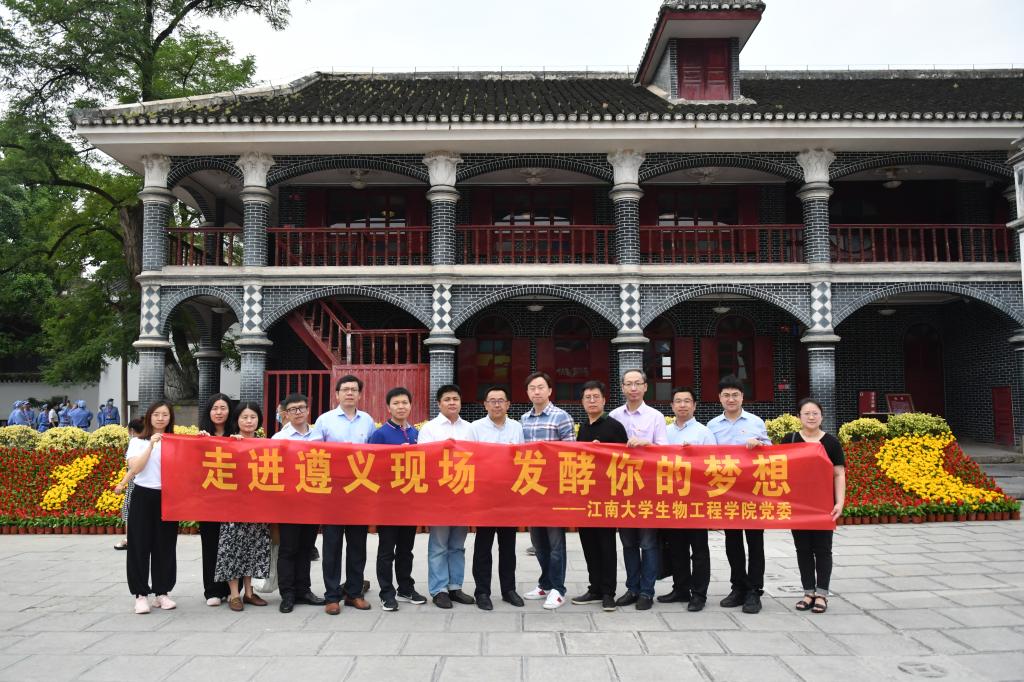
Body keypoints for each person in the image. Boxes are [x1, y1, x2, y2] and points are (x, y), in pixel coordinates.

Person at [707, 375, 771, 615]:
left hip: (753, 492)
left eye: (735, 395)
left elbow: (772, 453)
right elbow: (705, 457)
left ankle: (754, 590)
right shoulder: (712, 425)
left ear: (742, 397)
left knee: (755, 542)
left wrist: (760, 445)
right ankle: (738, 587)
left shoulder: (755, 422)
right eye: (726, 395)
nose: (731, 399)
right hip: (727, 492)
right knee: (732, 541)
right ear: (719, 398)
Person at [313, 375, 375, 614]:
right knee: (332, 546)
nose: (350, 393)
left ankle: (354, 593)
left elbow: (374, 454)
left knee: (357, 545)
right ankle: (332, 596)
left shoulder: (367, 420)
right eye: (345, 389)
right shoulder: (325, 420)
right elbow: (314, 453)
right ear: (337, 394)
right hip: (333, 493)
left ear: (360, 394)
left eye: (354, 389)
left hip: (359, 492)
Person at [609, 369, 669, 611]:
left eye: (637, 383)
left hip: (647, 489)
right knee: (628, 543)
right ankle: (632, 588)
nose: (633, 388)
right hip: (622, 489)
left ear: (645, 386)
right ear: (622, 387)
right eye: (628, 384)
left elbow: (665, 452)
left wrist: (648, 444)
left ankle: (647, 591)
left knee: (648, 542)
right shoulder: (614, 416)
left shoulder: (656, 417)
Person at [783, 398, 846, 615]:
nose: (811, 417)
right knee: (802, 549)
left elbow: (839, 474)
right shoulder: (790, 439)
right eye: (806, 413)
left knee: (823, 549)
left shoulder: (831, 442)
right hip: (798, 505)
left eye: (815, 413)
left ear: (821, 416)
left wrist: (840, 502)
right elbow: (776, 466)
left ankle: (822, 594)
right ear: (799, 416)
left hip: (823, 505)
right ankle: (808, 592)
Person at [367, 386, 427, 612]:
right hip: (388, 503)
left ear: (410, 406)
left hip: (410, 502)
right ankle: (386, 592)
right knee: (386, 550)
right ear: (388, 407)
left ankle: (405, 587)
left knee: (406, 549)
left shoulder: (416, 433)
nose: (401, 407)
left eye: (405, 403)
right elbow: (371, 467)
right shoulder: (380, 434)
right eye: (396, 403)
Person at [115, 401, 178, 614]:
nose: (160, 418)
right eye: (156, 414)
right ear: (149, 417)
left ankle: (162, 592)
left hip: (168, 497)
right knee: (139, 546)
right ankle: (140, 595)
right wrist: (151, 445)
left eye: (165, 415)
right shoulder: (138, 442)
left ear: (170, 418)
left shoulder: (175, 441)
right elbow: (136, 468)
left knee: (165, 546)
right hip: (143, 495)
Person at [418, 383, 476, 609]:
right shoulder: (429, 429)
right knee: (439, 544)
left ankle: (455, 586)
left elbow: (477, 458)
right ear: (439, 403)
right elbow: (423, 460)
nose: (452, 403)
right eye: (447, 399)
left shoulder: (469, 428)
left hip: (463, 493)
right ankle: (439, 589)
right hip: (439, 495)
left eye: (455, 399)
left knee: (458, 544)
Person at [520, 371, 575, 610]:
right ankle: (545, 583)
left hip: (554, 490)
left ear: (550, 390)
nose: (537, 391)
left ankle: (558, 589)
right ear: (527, 392)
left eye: (541, 387)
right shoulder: (524, 419)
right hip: (532, 489)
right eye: (532, 388)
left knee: (555, 543)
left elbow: (571, 453)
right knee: (538, 542)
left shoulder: (561, 417)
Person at [572, 380, 627, 612]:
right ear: (582, 402)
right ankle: (594, 587)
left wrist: (603, 452)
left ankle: (608, 592)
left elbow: (624, 461)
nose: (592, 401)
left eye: (596, 397)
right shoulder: (583, 428)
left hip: (607, 497)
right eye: (588, 397)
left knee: (606, 545)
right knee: (589, 544)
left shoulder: (614, 426)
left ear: (604, 400)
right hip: (587, 496)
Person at [660, 386, 716, 612]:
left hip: (696, 500)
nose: (682, 405)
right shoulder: (664, 432)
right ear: (672, 406)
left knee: (699, 549)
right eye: (678, 401)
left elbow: (714, 466)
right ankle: (681, 588)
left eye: (687, 401)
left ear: (694, 405)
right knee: (677, 547)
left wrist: (696, 455)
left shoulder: (704, 433)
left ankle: (699, 594)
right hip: (672, 499)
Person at [469, 385, 526, 611]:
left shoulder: (516, 427)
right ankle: (482, 592)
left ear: (508, 404)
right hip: (485, 495)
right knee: (483, 546)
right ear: (485, 405)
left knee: (508, 546)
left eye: (501, 400)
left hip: (509, 496)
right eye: (492, 401)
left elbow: (522, 459)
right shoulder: (475, 428)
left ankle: (508, 589)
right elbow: (469, 459)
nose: (496, 404)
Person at [271, 393, 326, 613]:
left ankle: (304, 590)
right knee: (288, 548)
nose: (298, 412)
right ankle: (288, 594)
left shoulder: (319, 436)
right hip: (289, 503)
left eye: (302, 408)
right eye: (293, 409)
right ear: (286, 414)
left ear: (308, 410)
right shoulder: (279, 438)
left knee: (306, 548)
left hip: (312, 501)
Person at [214, 401, 272, 612]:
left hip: (257, 506)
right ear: (237, 420)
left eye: (253, 417)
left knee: (253, 547)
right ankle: (233, 594)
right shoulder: (229, 443)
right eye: (244, 417)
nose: (249, 421)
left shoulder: (266, 445)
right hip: (233, 506)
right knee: (232, 548)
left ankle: (249, 592)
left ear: (259, 420)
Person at [196, 393, 233, 606]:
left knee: (231, 545)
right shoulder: (201, 436)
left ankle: (230, 589)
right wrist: (199, 443)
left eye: (223, 408)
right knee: (210, 544)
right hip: (208, 501)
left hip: (232, 501)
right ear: (208, 412)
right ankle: (212, 590)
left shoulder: (236, 435)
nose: (219, 412)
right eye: (215, 408)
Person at [114, 418, 145, 551]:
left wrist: (122, 483)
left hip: (135, 484)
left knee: (130, 512)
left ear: (131, 430)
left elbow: (133, 469)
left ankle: (129, 539)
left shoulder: (134, 442)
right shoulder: (148, 442)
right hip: (147, 485)